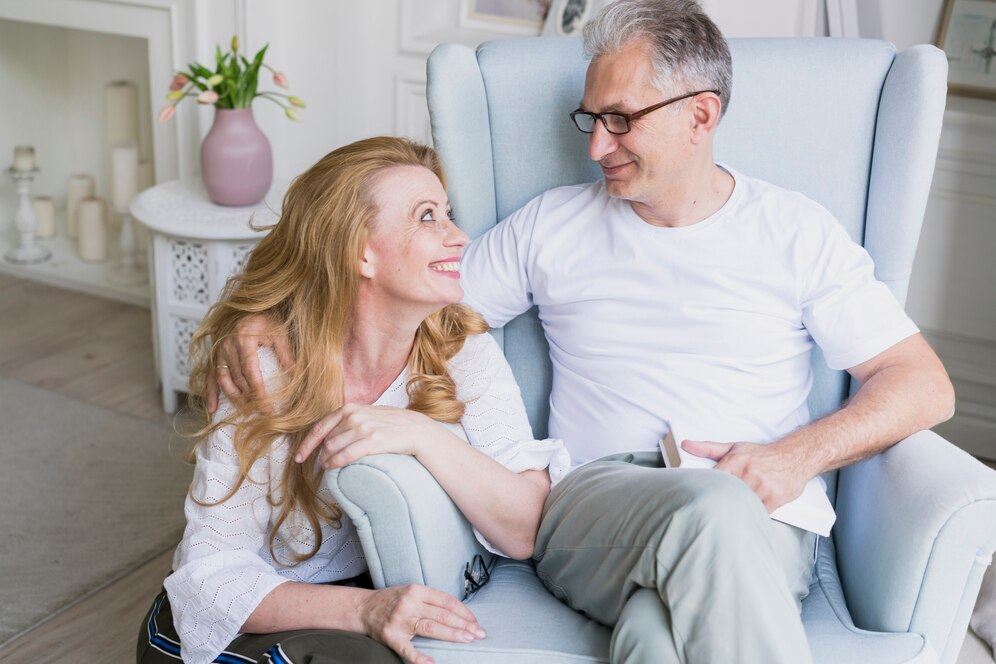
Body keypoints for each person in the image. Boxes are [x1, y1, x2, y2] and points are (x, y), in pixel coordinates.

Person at [209, 1, 956, 662]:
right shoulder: (552, 227)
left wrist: (795, 457)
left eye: (621, 120)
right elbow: (397, 288)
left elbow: (922, 383)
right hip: (593, 507)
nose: (597, 147)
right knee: (712, 512)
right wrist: (266, 318)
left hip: (763, 513)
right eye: (591, 120)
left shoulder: (796, 232)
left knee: (659, 637)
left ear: (701, 115)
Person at [136, 136, 570, 664]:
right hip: (240, 621)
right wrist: (365, 610)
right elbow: (208, 576)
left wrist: (421, 434)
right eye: (427, 217)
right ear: (359, 251)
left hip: (365, 597)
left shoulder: (459, 348)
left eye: (448, 214)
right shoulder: (261, 364)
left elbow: (525, 527)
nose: (459, 236)